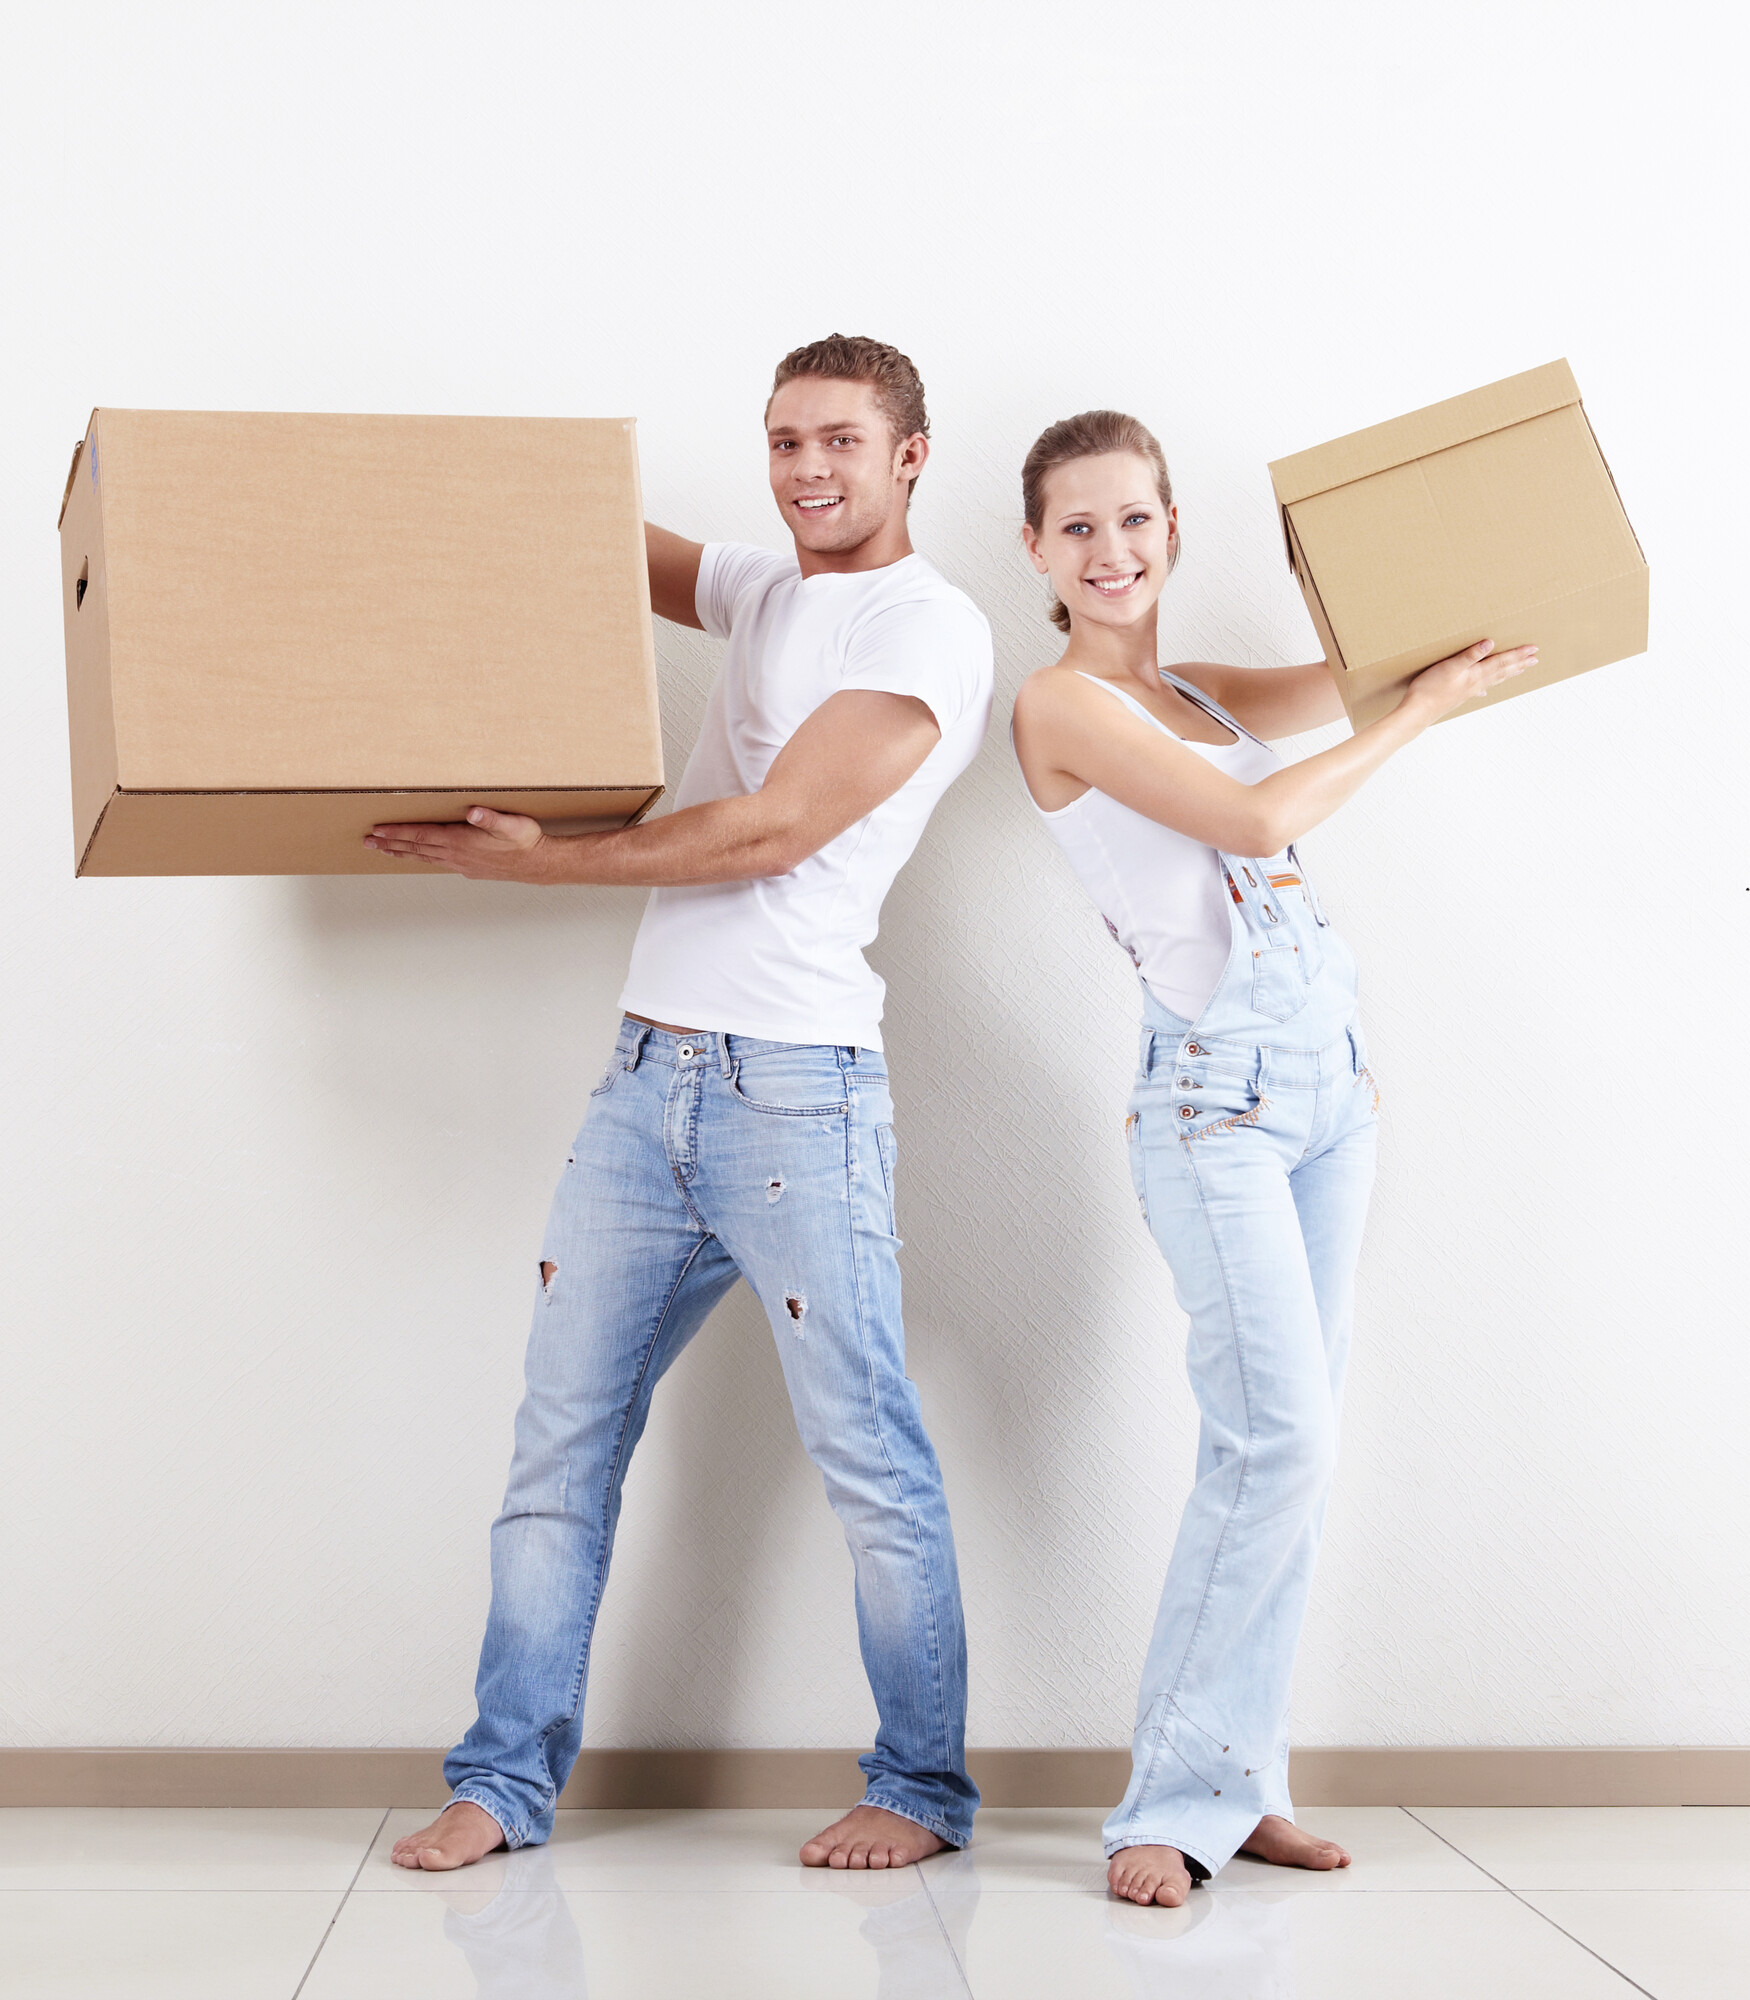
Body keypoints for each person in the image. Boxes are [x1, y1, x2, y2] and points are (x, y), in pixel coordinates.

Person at [364, 335, 995, 1873]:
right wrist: (418, 486)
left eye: (840, 440)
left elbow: (771, 829)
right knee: (559, 1446)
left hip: (796, 1096)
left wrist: (538, 865)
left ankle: (921, 1790)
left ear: (912, 455)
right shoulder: (767, 590)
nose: (806, 470)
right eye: (784, 441)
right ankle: (502, 1781)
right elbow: (585, 534)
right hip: (646, 1083)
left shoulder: (929, 628)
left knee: (870, 1458)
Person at [1006, 410, 1530, 1906]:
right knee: (1272, 1441)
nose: (1113, 550)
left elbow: (1357, 670)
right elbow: (1255, 810)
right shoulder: (1060, 707)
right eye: (1080, 527)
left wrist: (1431, 628)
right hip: (1213, 1111)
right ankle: (1164, 1808)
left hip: (1328, 1095)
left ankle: (1243, 1786)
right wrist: (1418, 714)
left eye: (1136, 520)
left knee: (1298, 1456)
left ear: (1174, 529)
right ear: (1035, 549)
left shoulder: (1194, 687)